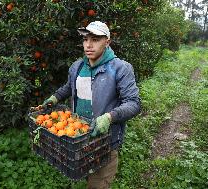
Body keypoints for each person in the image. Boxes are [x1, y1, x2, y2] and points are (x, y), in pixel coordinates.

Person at [42, 21, 141, 189]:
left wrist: (110, 117)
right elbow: (68, 87)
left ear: (107, 42)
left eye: (95, 39)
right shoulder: (77, 67)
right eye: (85, 39)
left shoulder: (120, 69)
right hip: (78, 137)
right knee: (83, 175)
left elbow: (134, 103)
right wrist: (54, 98)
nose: (88, 45)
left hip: (104, 142)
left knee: (98, 184)